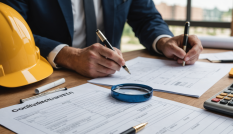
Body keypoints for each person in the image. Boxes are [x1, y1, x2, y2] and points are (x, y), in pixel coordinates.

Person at [2, 0, 203, 78]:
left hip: (109, 76)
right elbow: (10, 31)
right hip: (46, 77)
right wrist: (68, 55)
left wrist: (163, 41)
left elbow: (146, 17)